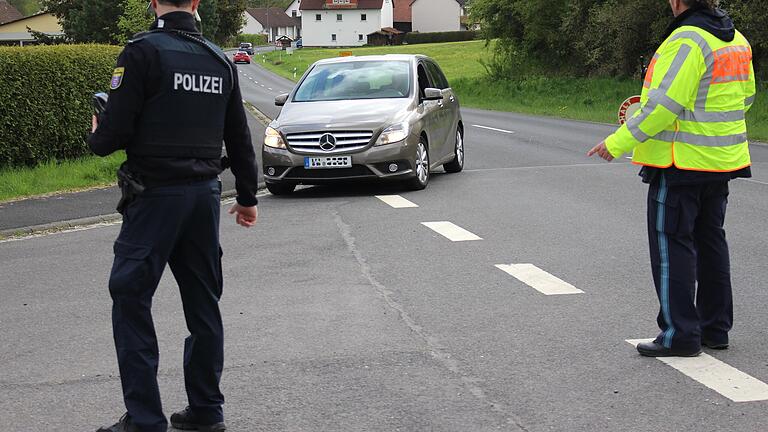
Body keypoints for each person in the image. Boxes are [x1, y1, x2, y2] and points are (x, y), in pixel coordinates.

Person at [89, 0, 260, 430]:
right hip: (204, 199)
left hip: (154, 198)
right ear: (197, 4)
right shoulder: (219, 60)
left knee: (130, 298)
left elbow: (113, 136)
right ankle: (206, 412)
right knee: (204, 305)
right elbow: (238, 134)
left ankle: (145, 420)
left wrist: (97, 132)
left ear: (152, 2)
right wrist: (247, 196)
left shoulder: (141, 52)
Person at [588, 0, 755, 357]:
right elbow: (747, 98)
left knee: (672, 246)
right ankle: (715, 329)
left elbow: (663, 106)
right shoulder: (736, 39)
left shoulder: (686, 40)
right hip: (721, 162)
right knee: (711, 243)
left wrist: (617, 142)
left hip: (680, 163)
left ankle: (680, 334)